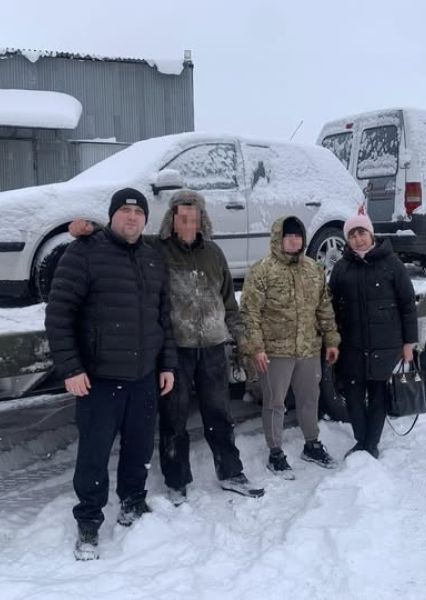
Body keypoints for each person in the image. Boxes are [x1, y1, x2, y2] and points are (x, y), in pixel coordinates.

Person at [68, 189, 263, 506]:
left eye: (194, 217)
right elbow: (123, 234)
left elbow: (229, 303)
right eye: (181, 217)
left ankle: (231, 472)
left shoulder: (214, 254)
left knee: (219, 414)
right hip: (177, 351)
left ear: (203, 221)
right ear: (171, 221)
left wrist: (243, 341)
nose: (188, 223)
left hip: (213, 348)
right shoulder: (156, 250)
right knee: (173, 420)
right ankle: (177, 482)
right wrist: (86, 227)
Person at [45, 187, 177, 561]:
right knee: (94, 455)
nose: (131, 218)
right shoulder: (84, 252)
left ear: (146, 220)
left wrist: (166, 364)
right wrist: (70, 368)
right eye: (124, 211)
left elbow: (163, 318)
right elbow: (59, 315)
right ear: (112, 215)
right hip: (99, 379)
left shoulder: (153, 259)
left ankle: (133, 503)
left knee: (138, 449)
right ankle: (88, 521)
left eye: (138, 213)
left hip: (144, 377)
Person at [239, 216, 341, 479]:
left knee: (310, 399)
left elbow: (324, 308)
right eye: (289, 236)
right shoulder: (262, 271)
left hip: (307, 349)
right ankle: (275, 452)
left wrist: (331, 339)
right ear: (278, 238)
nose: (294, 240)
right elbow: (250, 313)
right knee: (275, 403)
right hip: (275, 352)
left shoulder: (313, 269)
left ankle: (312, 444)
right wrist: (257, 348)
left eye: (298, 236)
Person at [328, 212, 418, 459]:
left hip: (385, 346)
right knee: (353, 398)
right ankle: (362, 440)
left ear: (371, 234)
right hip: (352, 348)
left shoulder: (392, 264)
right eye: (352, 235)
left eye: (361, 233)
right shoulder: (341, 268)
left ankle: (371, 444)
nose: (358, 240)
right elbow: (331, 307)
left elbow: (407, 304)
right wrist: (331, 340)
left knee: (378, 397)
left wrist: (409, 343)